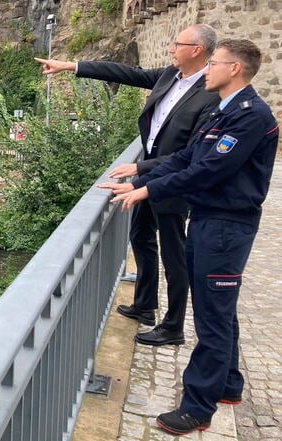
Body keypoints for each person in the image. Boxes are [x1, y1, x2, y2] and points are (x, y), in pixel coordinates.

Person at [99, 39, 278, 435]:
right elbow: (187, 157)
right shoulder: (223, 110)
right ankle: (229, 385)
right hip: (208, 220)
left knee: (212, 317)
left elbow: (207, 171)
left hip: (226, 228)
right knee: (220, 310)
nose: (206, 70)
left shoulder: (249, 116)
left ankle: (198, 407)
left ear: (235, 69)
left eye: (213, 63)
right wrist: (140, 171)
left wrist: (146, 191)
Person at [35, 24, 220, 346]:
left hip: (173, 181)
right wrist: (71, 66)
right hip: (147, 176)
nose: (171, 49)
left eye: (178, 44)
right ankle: (145, 305)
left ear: (197, 50)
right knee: (141, 237)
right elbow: (124, 73)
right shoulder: (168, 75)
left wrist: (141, 166)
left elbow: (191, 155)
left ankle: (173, 326)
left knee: (174, 255)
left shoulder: (210, 94)